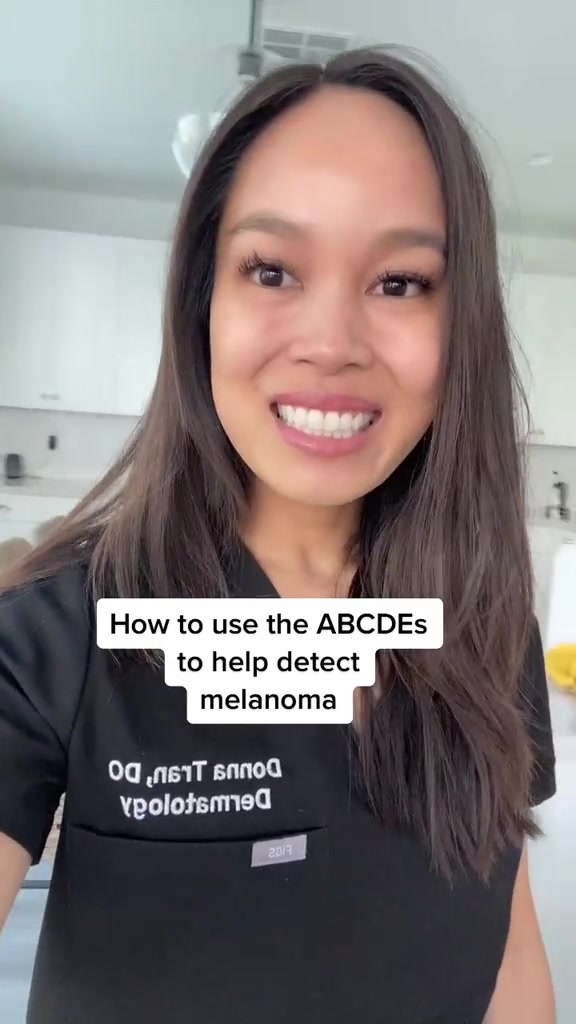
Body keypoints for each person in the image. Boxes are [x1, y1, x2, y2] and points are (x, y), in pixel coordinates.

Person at [0, 46, 556, 1024]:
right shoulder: (59, 637)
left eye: (400, 282)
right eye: (271, 270)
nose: (332, 342)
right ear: (201, 304)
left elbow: (510, 958)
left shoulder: (485, 628)